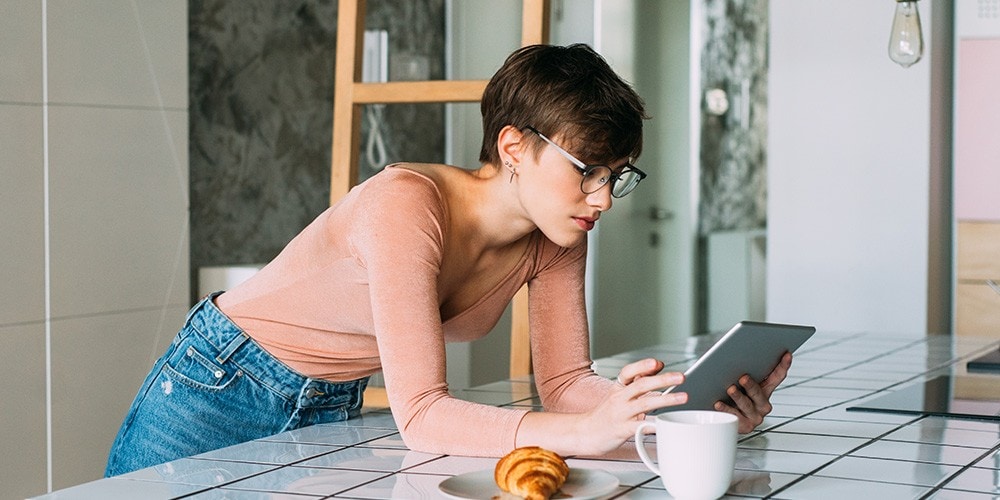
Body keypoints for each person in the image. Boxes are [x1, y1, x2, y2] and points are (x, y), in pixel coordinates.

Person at [105, 43, 791, 477]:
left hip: (328, 403)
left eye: (617, 175)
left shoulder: (560, 235)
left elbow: (567, 386)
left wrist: (683, 420)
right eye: (589, 171)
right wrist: (589, 429)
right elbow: (423, 414)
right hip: (216, 387)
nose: (604, 198)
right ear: (514, 146)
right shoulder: (406, 204)